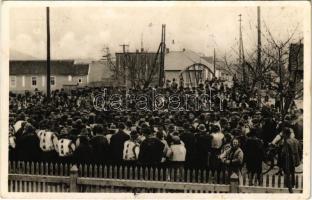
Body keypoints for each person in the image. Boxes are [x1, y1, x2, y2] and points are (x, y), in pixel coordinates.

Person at [280, 128, 301, 193]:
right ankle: (293, 183)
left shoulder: (286, 141)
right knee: (292, 171)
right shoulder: (296, 140)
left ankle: (288, 185)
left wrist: (280, 160)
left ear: (286, 134)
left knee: (286, 172)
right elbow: (300, 150)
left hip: (288, 159)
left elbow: (283, 152)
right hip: (294, 159)